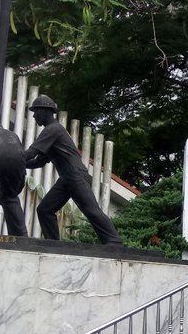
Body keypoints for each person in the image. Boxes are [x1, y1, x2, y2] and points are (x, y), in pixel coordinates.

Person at [24, 95, 122, 245]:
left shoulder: (52, 129)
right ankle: (53, 244)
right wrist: (20, 163)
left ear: (45, 111)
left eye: (36, 111)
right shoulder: (51, 132)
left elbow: (30, 154)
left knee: (91, 210)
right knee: (44, 210)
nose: (34, 115)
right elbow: (38, 162)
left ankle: (114, 242)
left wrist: (10, 157)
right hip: (66, 178)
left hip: (75, 175)